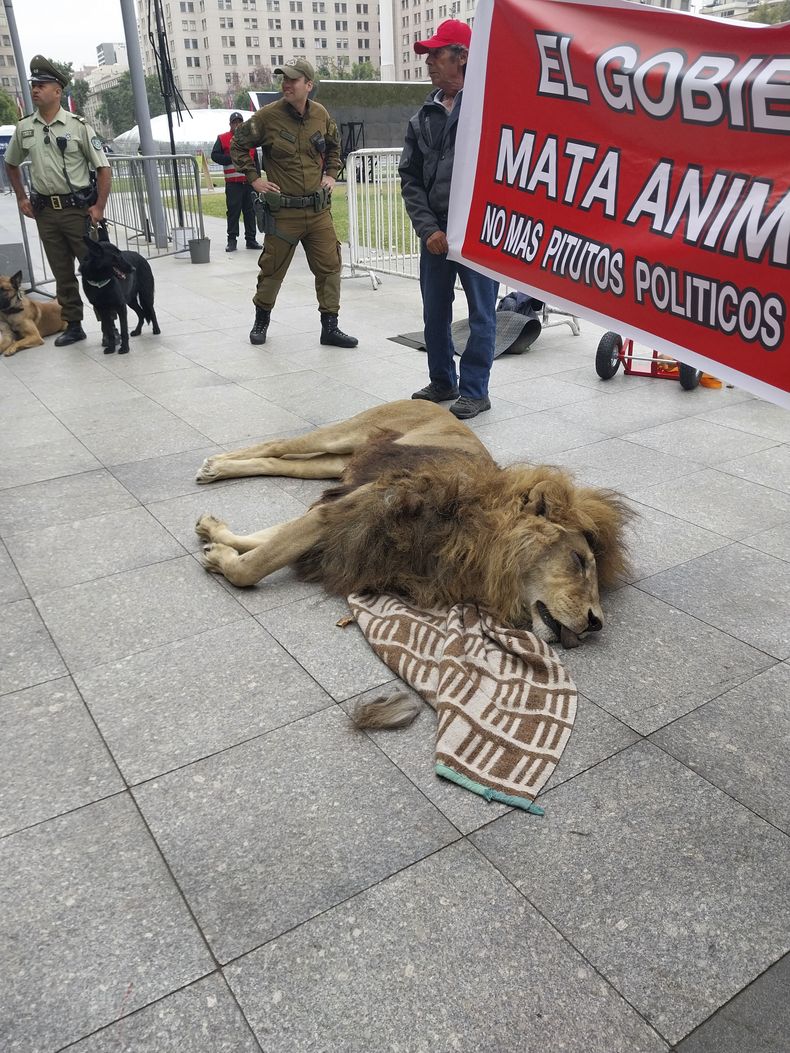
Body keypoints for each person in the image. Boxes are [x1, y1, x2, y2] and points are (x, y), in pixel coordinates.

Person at [399, 20, 499, 420]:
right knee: (434, 311)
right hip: (436, 234)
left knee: (482, 314)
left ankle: (476, 390)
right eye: (426, 56)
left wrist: (469, 228)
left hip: (478, 233)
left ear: (462, 57)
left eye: (436, 54)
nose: (428, 63)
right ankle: (443, 380)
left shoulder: (489, 107)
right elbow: (410, 177)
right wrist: (429, 229)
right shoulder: (423, 116)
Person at [230, 58, 357, 348]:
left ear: (308, 85)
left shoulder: (321, 114)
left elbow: (335, 145)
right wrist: (254, 178)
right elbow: (238, 144)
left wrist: (330, 174)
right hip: (283, 213)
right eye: (283, 79)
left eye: (293, 80)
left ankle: (330, 327)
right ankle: (261, 322)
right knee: (272, 271)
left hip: (317, 211)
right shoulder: (267, 117)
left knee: (329, 268)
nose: (286, 84)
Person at [5, 56, 111, 346]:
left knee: (93, 270)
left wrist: (98, 206)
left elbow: (103, 168)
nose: (35, 90)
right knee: (62, 273)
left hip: (77, 211)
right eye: (33, 85)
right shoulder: (25, 128)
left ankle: (108, 324)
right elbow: (11, 163)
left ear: (57, 91)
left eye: (41, 85)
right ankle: (74, 324)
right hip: (46, 214)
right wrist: (21, 197)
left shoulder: (78, 126)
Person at [211, 111, 261, 253]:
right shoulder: (223, 138)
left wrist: (257, 179)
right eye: (235, 122)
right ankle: (232, 240)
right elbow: (214, 155)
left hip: (249, 183)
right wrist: (230, 159)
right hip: (233, 183)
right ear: (230, 124)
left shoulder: (250, 139)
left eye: (240, 122)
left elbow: (255, 161)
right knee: (233, 212)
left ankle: (251, 240)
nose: (237, 125)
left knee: (250, 212)